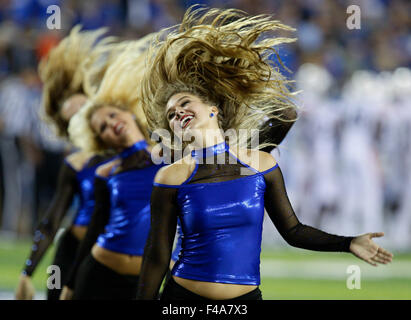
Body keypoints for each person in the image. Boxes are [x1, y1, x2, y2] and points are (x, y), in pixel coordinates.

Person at [136, 7, 393, 301]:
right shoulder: (170, 175)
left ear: (213, 108)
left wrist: (348, 243)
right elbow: (156, 255)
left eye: (184, 102)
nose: (178, 112)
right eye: (170, 115)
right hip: (183, 300)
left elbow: (293, 230)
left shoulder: (258, 162)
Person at [59, 38, 168, 300]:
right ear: (101, 140)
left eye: (111, 115)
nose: (110, 125)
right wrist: (70, 286)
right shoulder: (106, 172)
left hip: (148, 280)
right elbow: (94, 232)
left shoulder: (170, 157)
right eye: (102, 128)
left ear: (129, 112)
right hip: (99, 273)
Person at [15, 26, 118, 300]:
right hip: (72, 248)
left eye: (83, 112)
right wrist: (27, 272)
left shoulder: (128, 153)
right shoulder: (74, 163)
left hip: (112, 254)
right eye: (72, 119)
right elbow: (51, 222)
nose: (79, 121)